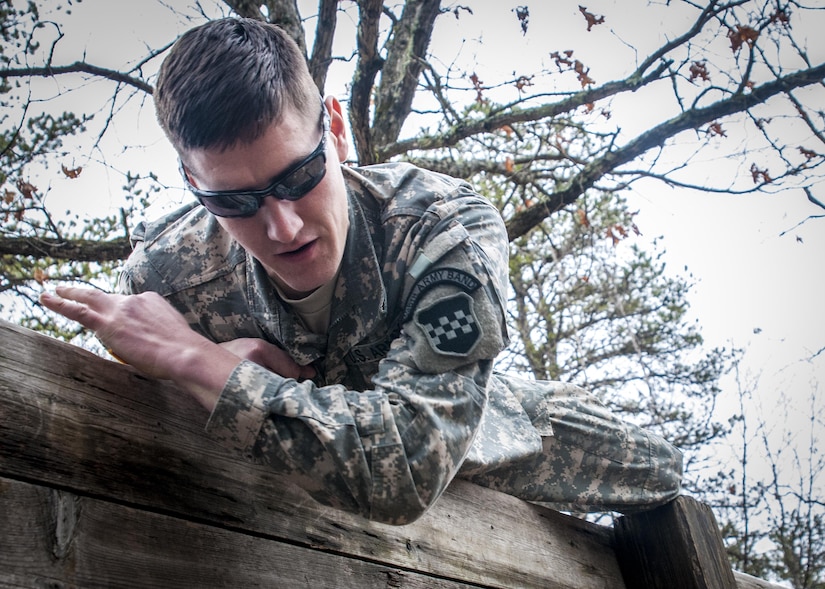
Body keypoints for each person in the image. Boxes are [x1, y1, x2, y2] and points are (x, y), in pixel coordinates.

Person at [40, 17, 682, 525]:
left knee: (660, 472)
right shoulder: (166, 279)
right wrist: (188, 372)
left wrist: (204, 365)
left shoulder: (440, 228)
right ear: (191, 183)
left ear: (336, 129)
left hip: (485, 427)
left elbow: (403, 467)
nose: (283, 226)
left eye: (298, 176)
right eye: (234, 202)